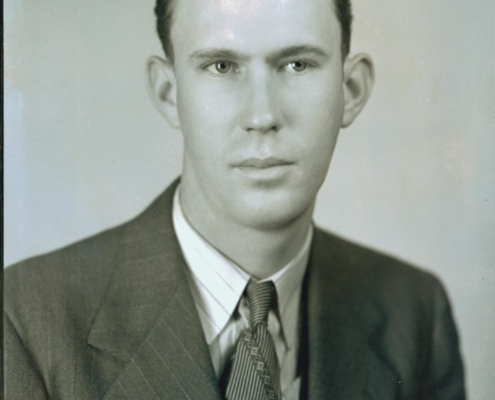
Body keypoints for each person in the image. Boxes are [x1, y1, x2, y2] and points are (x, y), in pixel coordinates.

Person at [4, 0, 465, 399]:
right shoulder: (27, 317)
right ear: (169, 92)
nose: (262, 116)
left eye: (297, 64)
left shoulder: (414, 311)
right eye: (222, 66)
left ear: (351, 91)